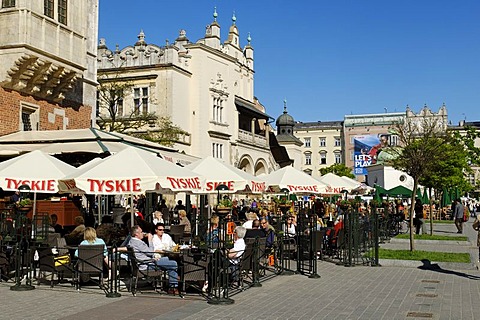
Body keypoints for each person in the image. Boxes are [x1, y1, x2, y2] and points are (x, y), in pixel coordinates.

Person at [128, 225, 179, 294]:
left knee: (170, 261)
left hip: (145, 263)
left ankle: (173, 286)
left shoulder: (132, 241)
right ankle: (173, 287)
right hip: (148, 265)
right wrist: (150, 240)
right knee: (173, 263)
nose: (143, 233)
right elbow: (151, 252)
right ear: (136, 234)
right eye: (141, 232)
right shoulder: (138, 243)